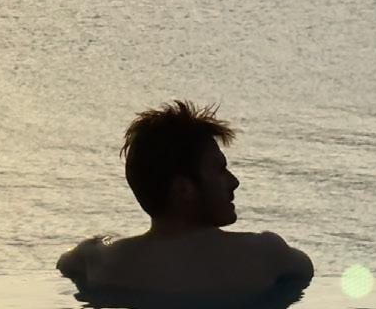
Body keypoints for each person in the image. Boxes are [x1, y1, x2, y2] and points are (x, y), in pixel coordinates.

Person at [57, 100, 314, 298]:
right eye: (220, 170)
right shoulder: (265, 256)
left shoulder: (103, 261)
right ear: (184, 189)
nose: (233, 181)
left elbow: (66, 263)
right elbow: (304, 271)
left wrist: (103, 241)